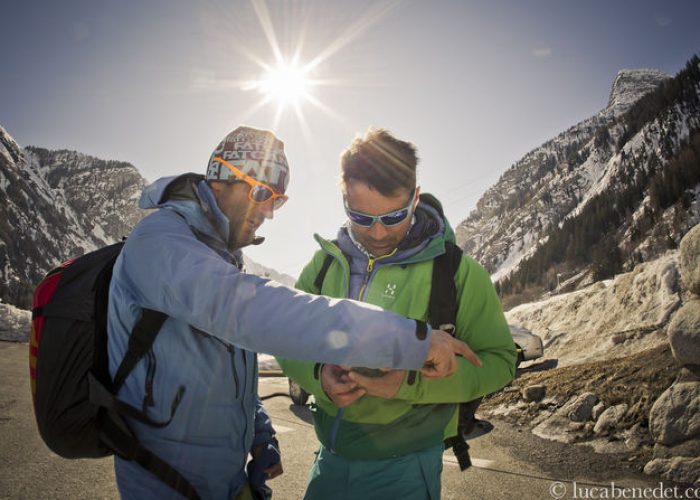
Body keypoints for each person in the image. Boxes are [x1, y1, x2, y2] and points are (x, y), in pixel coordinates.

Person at [107, 126, 472, 500]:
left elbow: (230, 364)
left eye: (276, 200)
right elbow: (255, 312)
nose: (268, 211)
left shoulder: (220, 255)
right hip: (163, 481)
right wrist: (408, 339)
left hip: (228, 481)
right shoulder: (159, 243)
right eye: (261, 193)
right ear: (220, 178)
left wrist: (259, 432)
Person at [279, 128, 517, 500]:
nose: (376, 233)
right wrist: (318, 375)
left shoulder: (456, 273)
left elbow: (500, 362)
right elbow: (285, 334)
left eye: (393, 217)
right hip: (329, 458)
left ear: (415, 197)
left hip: (407, 468)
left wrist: (409, 384)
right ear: (343, 200)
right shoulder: (325, 263)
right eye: (360, 216)